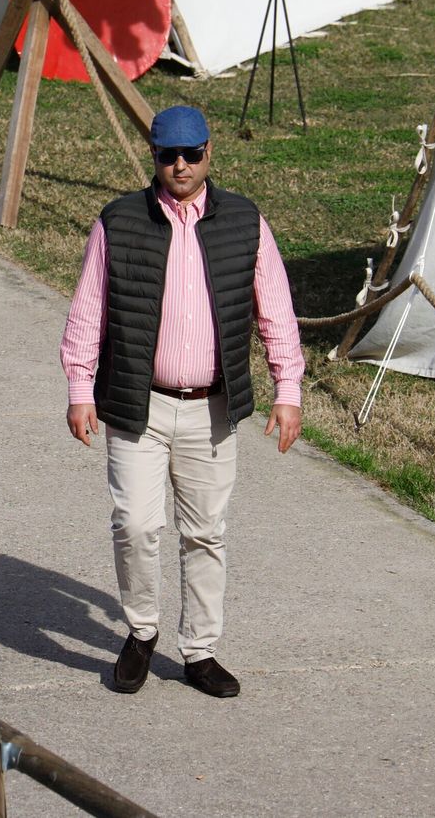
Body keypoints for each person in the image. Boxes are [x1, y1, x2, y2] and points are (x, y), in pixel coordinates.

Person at [60, 104, 303, 699]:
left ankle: (200, 651)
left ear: (209, 152)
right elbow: (88, 311)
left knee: (205, 533)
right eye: (169, 154)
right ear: (154, 158)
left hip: (212, 411)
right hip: (136, 404)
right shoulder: (118, 221)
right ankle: (141, 632)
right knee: (137, 524)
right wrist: (78, 388)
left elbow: (276, 313)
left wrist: (287, 391)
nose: (180, 165)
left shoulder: (246, 222)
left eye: (191, 153)